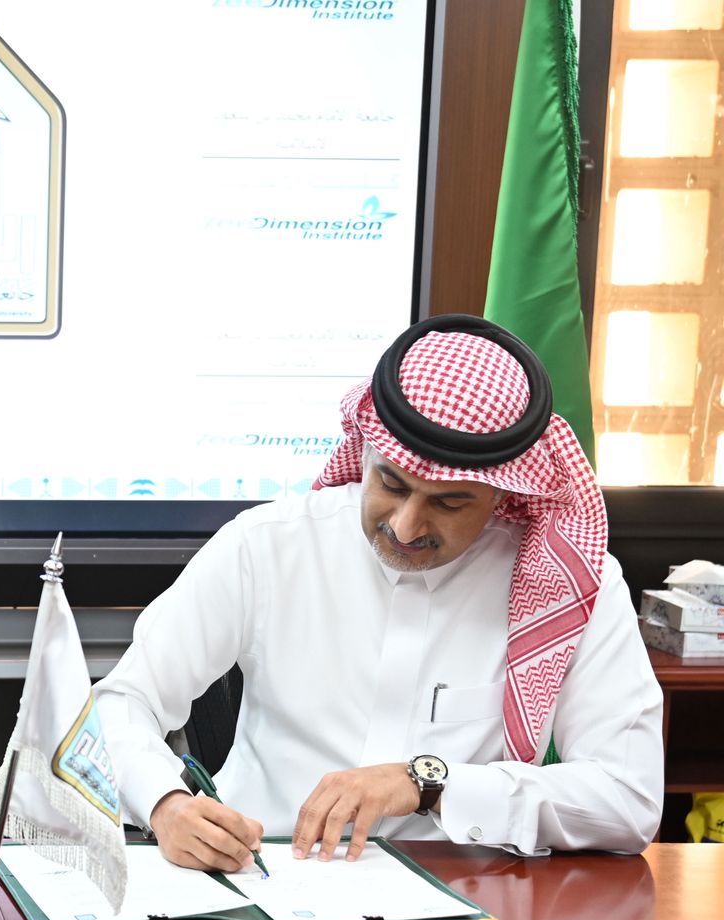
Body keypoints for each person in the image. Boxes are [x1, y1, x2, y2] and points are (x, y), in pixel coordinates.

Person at [95, 314, 664, 871]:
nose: (406, 526)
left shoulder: (568, 583)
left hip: (463, 903)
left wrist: (431, 784)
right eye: (391, 483)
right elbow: (118, 703)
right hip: (263, 879)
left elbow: (628, 799)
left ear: (501, 495)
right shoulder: (268, 545)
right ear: (365, 450)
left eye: (449, 502)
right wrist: (164, 805)